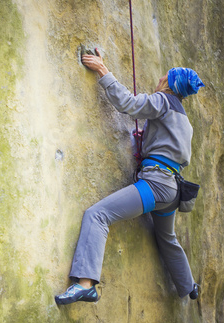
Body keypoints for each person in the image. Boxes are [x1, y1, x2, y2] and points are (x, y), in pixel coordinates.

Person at [54, 49, 205, 305]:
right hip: (172, 191)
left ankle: (85, 285)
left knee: (97, 215)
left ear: (168, 84)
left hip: (155, 186)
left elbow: (130, 105)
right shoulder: (184, 120)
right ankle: (189, 286)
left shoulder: (163, 100)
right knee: (167, 238)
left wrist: (103, 71)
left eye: (163, 77)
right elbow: (166, 148)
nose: (159, 79)